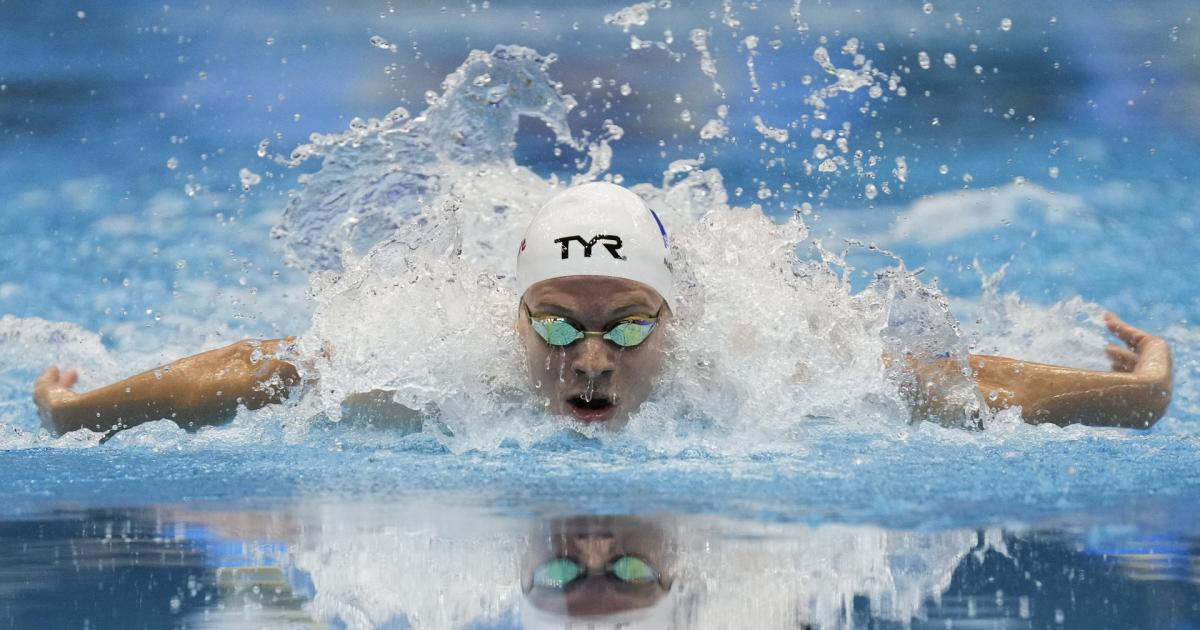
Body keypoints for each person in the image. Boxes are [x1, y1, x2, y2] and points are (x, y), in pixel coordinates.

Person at [32, 182, 1174, 436]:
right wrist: (77, 412)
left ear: (676, 320)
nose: (590, 354)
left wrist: (1140, 392)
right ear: (510, 316)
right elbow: (249, 369)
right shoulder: (438, 355)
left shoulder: (765, 360)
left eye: (627, 321)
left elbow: (974, 383)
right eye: (556, 321)